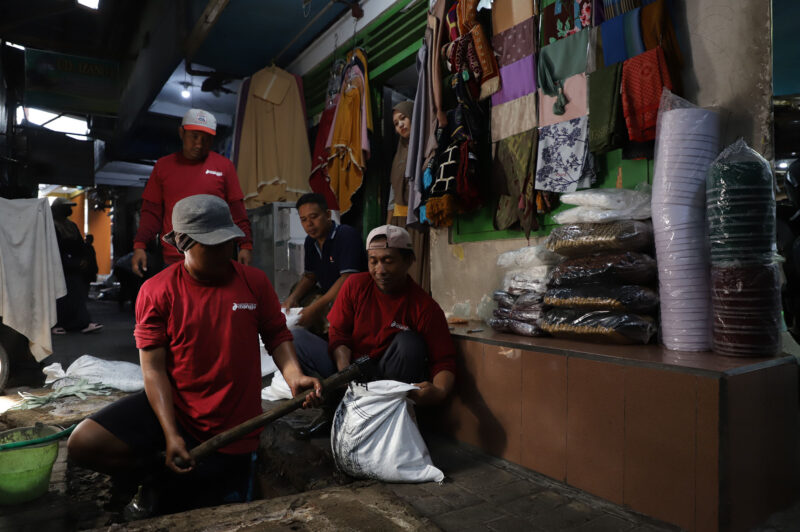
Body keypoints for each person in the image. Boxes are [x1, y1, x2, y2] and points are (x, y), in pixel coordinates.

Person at [68, 194, 322, 514]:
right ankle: (151, 472)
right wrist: (171, 434)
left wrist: (294, 375)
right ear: (183, 242)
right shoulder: (157, 291)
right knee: (83, 443)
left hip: (233, 423)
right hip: (176, 407)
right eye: (213, 245)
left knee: (202, 504)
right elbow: (154, 370)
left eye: (228, 242)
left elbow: (276, 334)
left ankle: (166, 484)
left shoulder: (253, 282)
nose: (225, 252)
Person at [293, 224, 455, 410]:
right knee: (296, 338)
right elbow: (339, 334)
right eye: (373, 261)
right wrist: (345, 373)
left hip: (386, 379)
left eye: (388, 260)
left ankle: (382, 412)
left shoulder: (425, 307)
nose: (380, 269)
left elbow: (444, 360)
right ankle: (334, 409)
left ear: (408, 261)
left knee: (409, 342)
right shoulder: (355, 285)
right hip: (350, 370)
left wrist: (440, 391)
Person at [132, 109, 253, 278]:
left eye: (206, 139)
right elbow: (152, 212)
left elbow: (236, 210)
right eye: (194, 136)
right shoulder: (163, 167)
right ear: (182, 133)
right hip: (174, 259)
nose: (199, 144)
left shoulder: (224, 167)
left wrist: (245, 245)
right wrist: (140, 245)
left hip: (216, 258)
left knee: (215, 303)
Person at [282, 193, 366, 329]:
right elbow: (310, 276)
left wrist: (315, 308)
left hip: (353, 297)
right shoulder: (310, 241)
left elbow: (348, 278)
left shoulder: (346, 235)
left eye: (314, 217)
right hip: (328, 295)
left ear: (328, 215)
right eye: (303, 220)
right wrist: (292, 298)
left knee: (315, 312)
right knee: (296, 291)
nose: (309, 224)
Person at [386, 101, 431, 292]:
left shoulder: (426, 146)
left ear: (414, 116)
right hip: (398, 222)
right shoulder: (399, 155)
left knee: (416, 273)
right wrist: (387, 230)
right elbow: (393, 196)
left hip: (418, 220)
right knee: (398, 275)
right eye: (396, 123)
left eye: (403, 118)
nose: (400, 125)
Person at [50, 197, 102, 334]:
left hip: (74, 265)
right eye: (66, 207)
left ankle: (83, 323)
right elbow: (53, 248)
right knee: (59, 297)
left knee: (77, 295)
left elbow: (80, 245)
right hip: (58, 265)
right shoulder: (50, 225)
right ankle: (57, 324)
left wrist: (83, 259)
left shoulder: (71, 225)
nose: (70, 209)